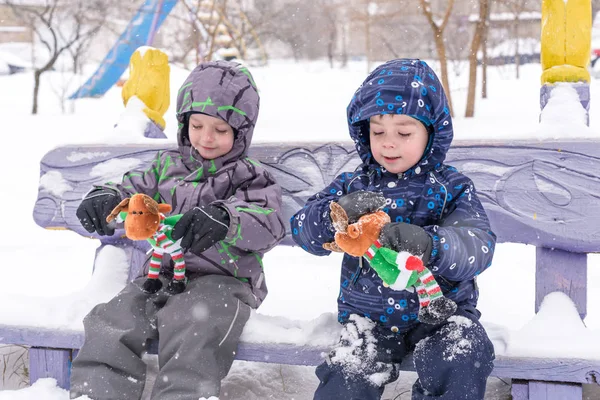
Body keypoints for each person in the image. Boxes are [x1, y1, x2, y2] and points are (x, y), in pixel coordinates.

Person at [70, 60, 286, 400]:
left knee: (194, 329)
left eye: (220, 129)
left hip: (223, 282)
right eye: (197, 125)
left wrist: (226, 218)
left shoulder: (249, 176)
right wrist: (108, 195)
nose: (206, 138)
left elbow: (269, 220)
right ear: (184, 123)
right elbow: (134, 189)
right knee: (111, 321)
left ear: (241, 132)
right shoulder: (167, 166)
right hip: (160, 276)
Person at [291, 59, 497, 400]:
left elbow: (478, 244)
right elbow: (301, 229)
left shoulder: (452, 187)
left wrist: (432, 245)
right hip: (369, 318)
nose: (389, 143)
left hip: (441, 313)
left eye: (403, 132)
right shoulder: (353, 184)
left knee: (462, 355)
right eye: (377, 132)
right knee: (348, 373)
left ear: (431, 133)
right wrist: (335, 216)